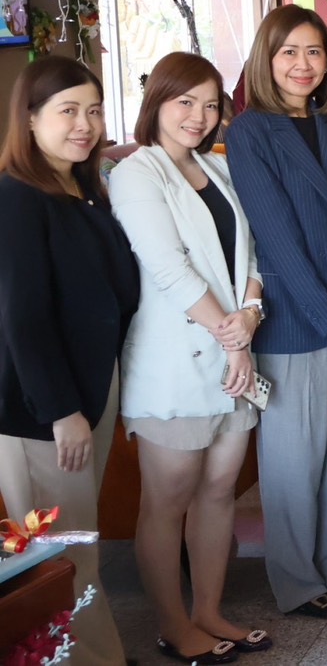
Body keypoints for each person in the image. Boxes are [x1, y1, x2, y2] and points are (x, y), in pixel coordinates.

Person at [111, 53, 270, 663]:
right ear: (157, 101)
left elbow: (251, 256)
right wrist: (235, 339)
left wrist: (249, 315)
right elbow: (169, 270)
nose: (198, 117)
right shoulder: (137, 174)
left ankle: (208, 610)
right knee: (168, 496)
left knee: (220, 488)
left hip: (235, 355)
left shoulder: (216, 168)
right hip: (175, 362)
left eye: (209, 105)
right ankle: (173, 624)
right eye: (185, 102)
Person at [225, 5, 327, 619]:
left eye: (314, 51)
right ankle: (296, 579)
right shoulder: (249, 132)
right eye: (288, 51)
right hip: (293, 319)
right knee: (293, 459)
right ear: (265, 59)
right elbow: (275, 235)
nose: (303, 64)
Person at [0, 57, 137, 666]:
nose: (85, 124)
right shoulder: (17, 196)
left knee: (80, 544)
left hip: (89, 391)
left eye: (94, 110)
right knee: (59, 555)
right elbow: (21, 317)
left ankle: (95, 654)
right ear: (30, 119)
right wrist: (61, 410)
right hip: (42, 410)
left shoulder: (82, 191)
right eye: (68, 111)